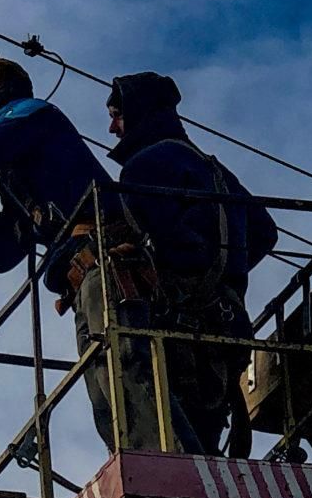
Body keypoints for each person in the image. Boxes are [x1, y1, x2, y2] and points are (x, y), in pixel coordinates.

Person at [0, 59, 183, 452]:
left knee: (128, 369)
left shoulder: (36, 116)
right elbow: (4, 252)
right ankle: (138, 461)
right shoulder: (20, 170)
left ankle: (171, 465)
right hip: (83, 276)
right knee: (104, 382)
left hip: (108, 260)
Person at [104, 72, 279, 456]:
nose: (112, 127)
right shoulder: (213, 169)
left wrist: (187, 279)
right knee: (205, 452)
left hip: (180, 331)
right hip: (227, 327)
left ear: (138, 113)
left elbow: (164, 243)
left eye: (117, 114)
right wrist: (224, 275)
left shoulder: (143, 167)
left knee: (172, 452)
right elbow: (265, 232)